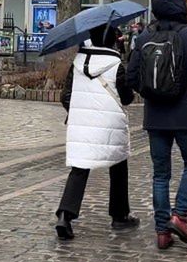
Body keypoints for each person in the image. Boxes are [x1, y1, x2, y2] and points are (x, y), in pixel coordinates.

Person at [126, 0, 187, 250]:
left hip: (156, 116)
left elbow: (132, 77)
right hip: (186, 114)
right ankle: (180, 215)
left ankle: (162, 231)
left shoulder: (144, 38)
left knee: (160, 174)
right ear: (183, 9)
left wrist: (151, 94)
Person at [54, 24, 139, 240]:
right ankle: (119, 215)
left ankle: (65, 215)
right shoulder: (116, 64)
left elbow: (66, 96)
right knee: (118, 164)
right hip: (110, 123)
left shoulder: (77, 62)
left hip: (81, 123)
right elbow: (127, 97)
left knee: (80, 168)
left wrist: (80, 114)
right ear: (112, 40)